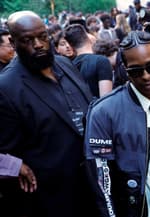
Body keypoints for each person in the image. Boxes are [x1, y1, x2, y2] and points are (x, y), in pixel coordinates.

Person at [84, 31, 150, 217]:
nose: (146, 76)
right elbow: (101, 181)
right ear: (124, 68)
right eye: (135, 71)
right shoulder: (103, 112)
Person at [0, 11, 94, 217]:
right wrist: (14, 166)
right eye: (27, 40)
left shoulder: (65, 64)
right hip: (48, 200)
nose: (38, 44)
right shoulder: (6, 87)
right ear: (13, 44)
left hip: (89, 187)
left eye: (43, 37)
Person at [64, 24, 113, 98]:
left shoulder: (69, 68)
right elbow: (106, 99)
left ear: (71, 46)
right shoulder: (101, 61)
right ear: (88, 38)